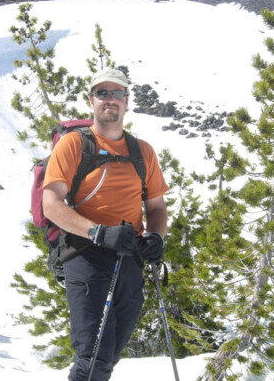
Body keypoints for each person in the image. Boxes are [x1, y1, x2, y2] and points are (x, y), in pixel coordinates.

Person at [42, 68, 169, 381]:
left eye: (116, 93)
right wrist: (98, 232)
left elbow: (156, 206)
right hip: (85, 254)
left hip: (129, 258)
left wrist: (156, 237)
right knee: (93, 355)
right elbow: (51, 204)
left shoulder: (143, 152)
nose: (110, 99)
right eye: (102, 93)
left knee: (109, 354)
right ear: (91, 101)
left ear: (126, 102)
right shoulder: (73, 145)